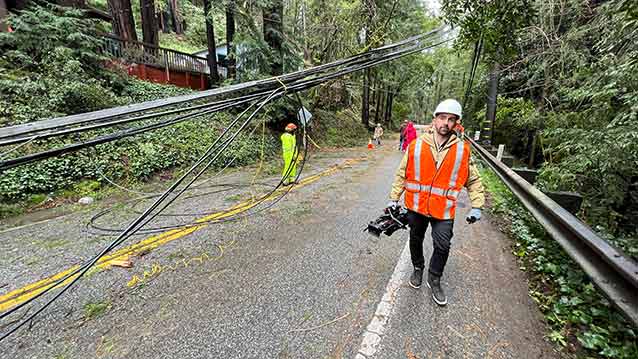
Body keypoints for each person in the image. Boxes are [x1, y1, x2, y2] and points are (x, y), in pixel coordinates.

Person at [387, 99, 485, 306]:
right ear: (434, 120)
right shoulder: (416, 145)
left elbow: (473, 179)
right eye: (442, 118)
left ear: (456, 124)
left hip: (444, 209)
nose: (445, 123)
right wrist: (394, 198)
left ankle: (434, 278)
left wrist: (477, 205)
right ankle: (418, 268)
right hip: (417, 205)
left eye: (451, 120)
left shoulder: (462, 150)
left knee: (443, 245)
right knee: (415, 239)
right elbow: (401, 174)